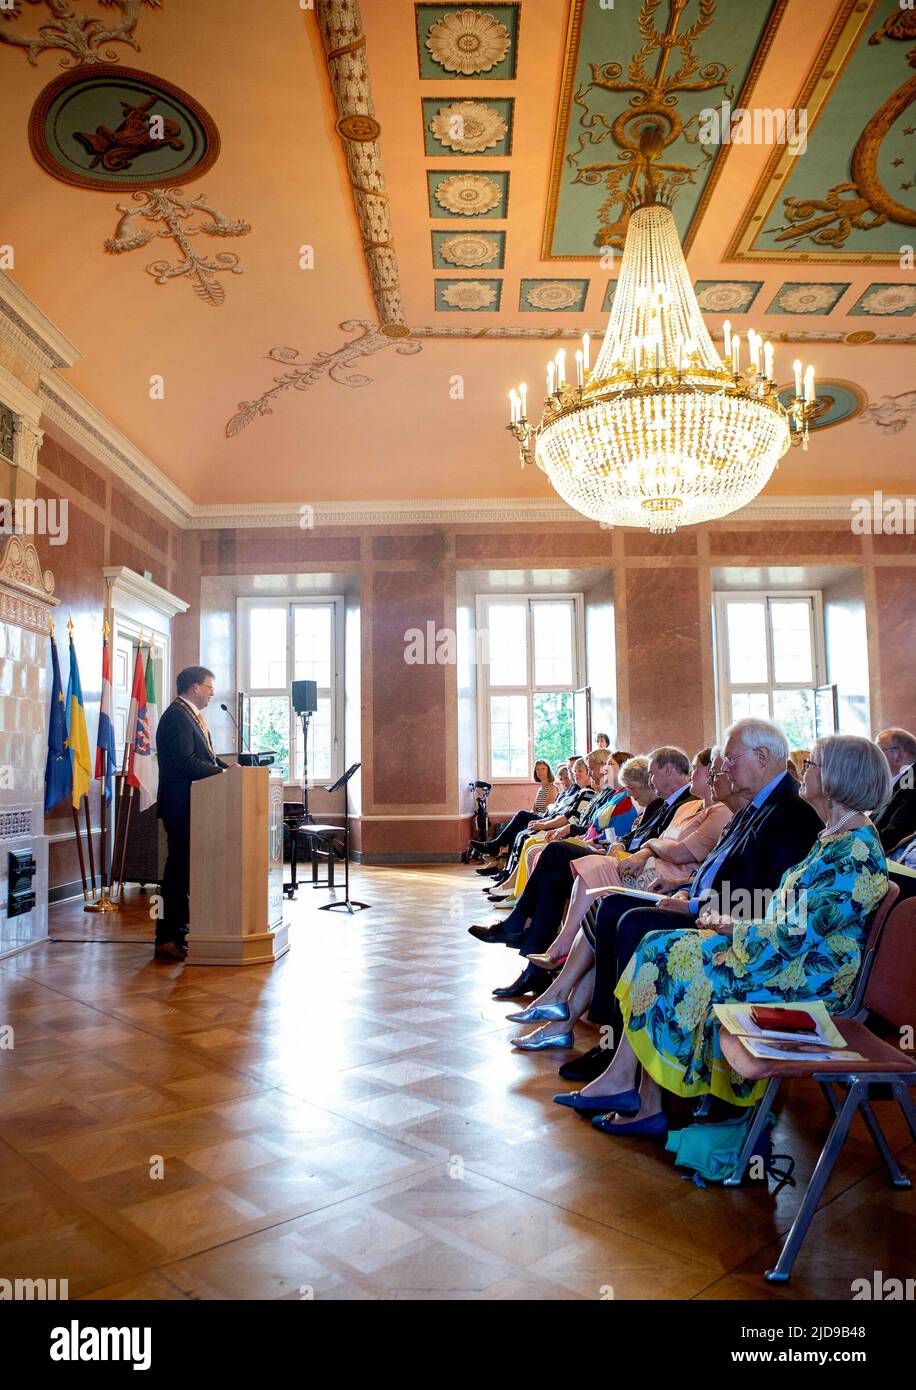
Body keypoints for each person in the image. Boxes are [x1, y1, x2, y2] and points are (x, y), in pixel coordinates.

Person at [573, 734, 891, 1136]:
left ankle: (644, 1097)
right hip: (782, 953)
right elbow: (789, 914)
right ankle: (634, 1090)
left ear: (840, 777)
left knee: (672, 953)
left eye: (813, 764)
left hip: (806, 977)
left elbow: (798, 935)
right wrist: (730, 921)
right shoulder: (837, 837)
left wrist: (732, 925)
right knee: (657, 944)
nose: (804, 770)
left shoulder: (856, 852)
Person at [557, 718, 822, 1082]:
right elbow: (719, 866)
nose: (723, 769)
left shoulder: (790, 809)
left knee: (631, 920)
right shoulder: (757, 803)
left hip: (733, 925)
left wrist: (695, 905)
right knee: (614, 906)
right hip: (707, 905)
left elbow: (769, 895)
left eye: (730, 760)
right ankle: (609, 1041)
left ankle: (618, 1049)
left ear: (762, 756)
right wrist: (688, 890)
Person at [155, 665, 227, 960]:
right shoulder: (176, 717)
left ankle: (179, 930)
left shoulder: (189, 715)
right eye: (209, 687)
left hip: (193, 803)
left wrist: (225, 768)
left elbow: (203, 757)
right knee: (177, 871)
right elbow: (186, 762)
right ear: (194, 687)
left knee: (183, 870)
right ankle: (167, 936)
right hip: (181, 804)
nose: (212, 693)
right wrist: (223, 773)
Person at [470, 759, 555, 865]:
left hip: (545, 820)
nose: (540, 771)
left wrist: (532, 819)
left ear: (548, 771)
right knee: (514, 833)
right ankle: (505, 869)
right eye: (537, 769)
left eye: (543, 769)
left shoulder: (552, 788)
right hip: (538, 817)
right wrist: (530, 816)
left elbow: (549, 811)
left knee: (521, 814)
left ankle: (495, 845)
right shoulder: (541, 789)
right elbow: (534, 809)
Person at [874, 728, 916, 852]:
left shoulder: (912, 785)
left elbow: (893, 836)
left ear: (898, 754)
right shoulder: (902, 780)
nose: (874, 758)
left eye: (878, 751)